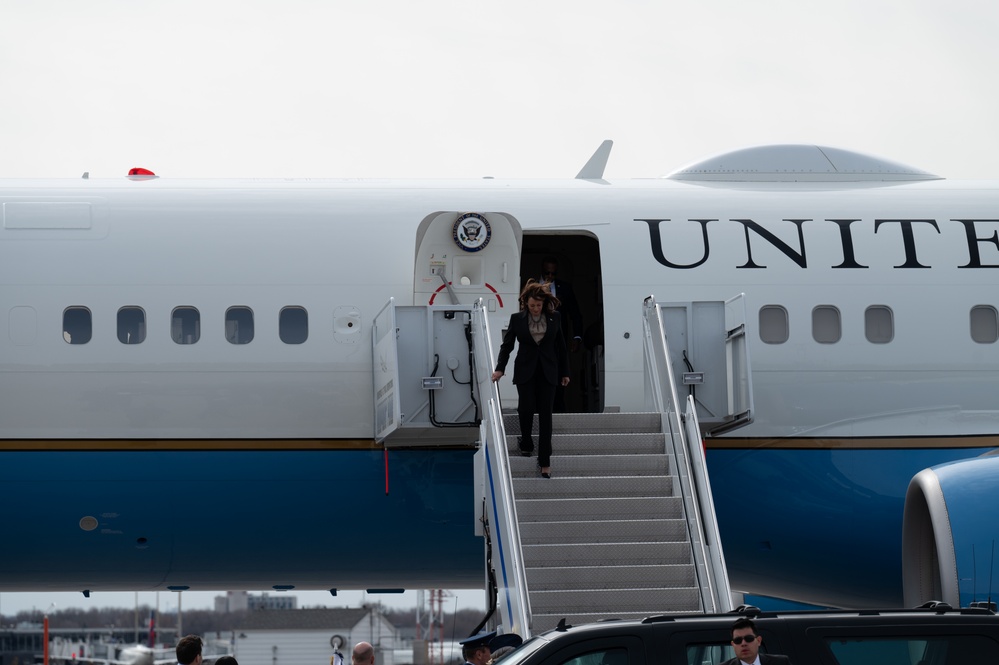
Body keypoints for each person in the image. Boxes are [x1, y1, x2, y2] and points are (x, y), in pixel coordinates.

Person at [492, 280, 569, 478]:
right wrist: (500, 368)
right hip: (525, 370)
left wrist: (565, 372)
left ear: (544, 303)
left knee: (545, 415)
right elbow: (507, 346)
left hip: (548, 371)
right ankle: (526, 441)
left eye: (539, 305)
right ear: (526, 303)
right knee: (525, 409)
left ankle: (545, 461)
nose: (536, 309)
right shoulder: (517, 319)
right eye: (532, 305)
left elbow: (561, 347)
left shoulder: (555, 318)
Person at [538, 256, 583, 411]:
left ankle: (557, 407)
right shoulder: (531, 287)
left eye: (553, 273)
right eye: (547, 273)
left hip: (558, 338)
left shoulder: (565, 288)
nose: (550, 276)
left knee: (559, 372)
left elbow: (575, 314)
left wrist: (577, 337)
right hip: (537, 338)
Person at [721, 618, 793, 665]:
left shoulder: (781, 663)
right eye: (738, 640)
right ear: (733, 645)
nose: (743, 643)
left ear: (758, 641)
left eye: (749, 638)